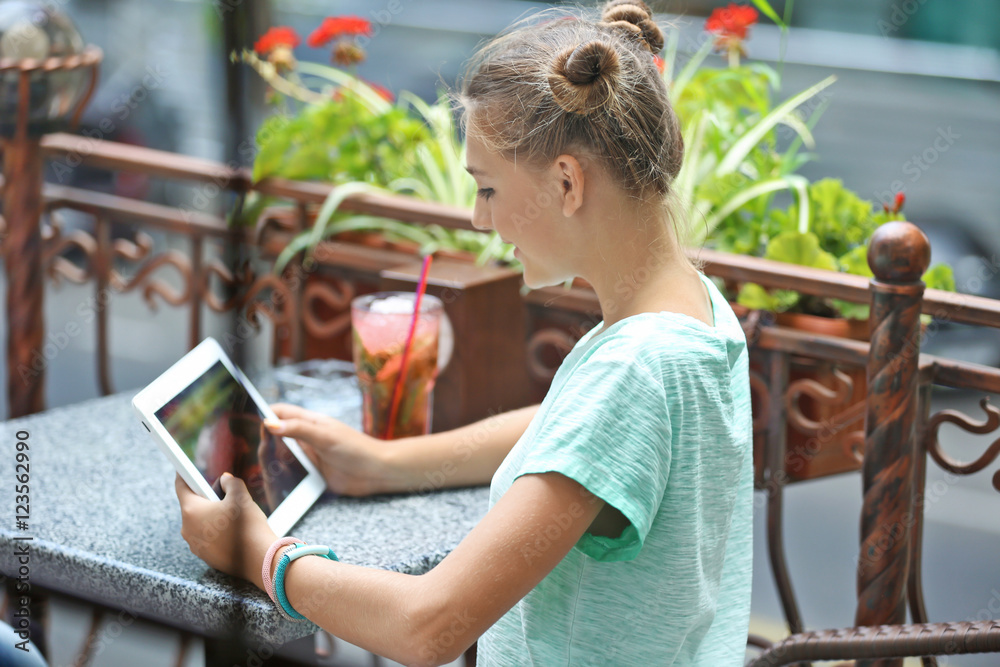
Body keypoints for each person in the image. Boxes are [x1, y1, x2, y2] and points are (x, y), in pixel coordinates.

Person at [174, 1, 753, 665]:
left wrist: (257, 552)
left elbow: (429, 626)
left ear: (566, 181)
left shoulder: (636, 370)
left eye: (486, 188)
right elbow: (579, 430)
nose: (480, 219)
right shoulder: (694, 311)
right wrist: (386, 462)